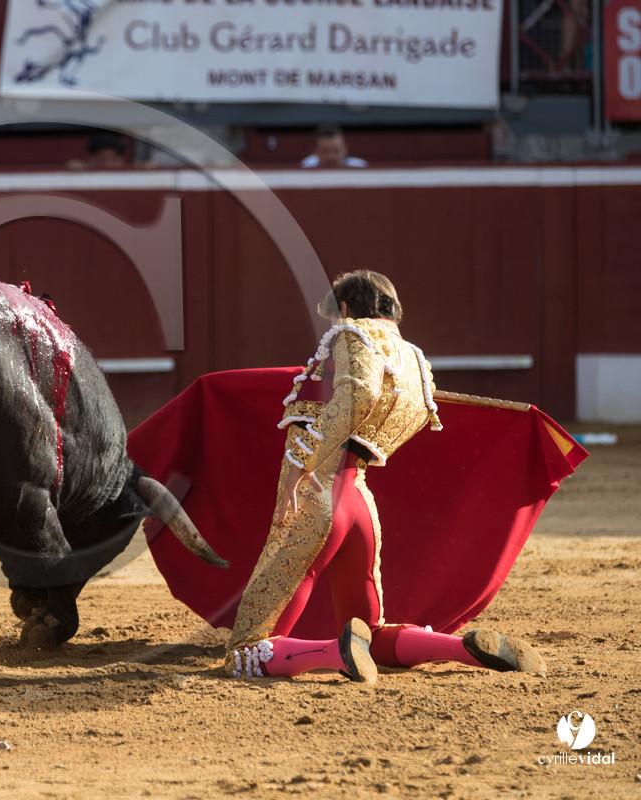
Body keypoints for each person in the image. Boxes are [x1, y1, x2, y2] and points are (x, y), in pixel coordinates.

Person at [226, 270, 544, 683]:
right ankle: (460, 650)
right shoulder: (411, 357)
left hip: (315, 496)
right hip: (358, 501)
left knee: (245, 649)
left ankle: (334, 654)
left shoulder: (351, 335)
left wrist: (303, 466)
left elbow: (359, 394)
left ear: (344, 308)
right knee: (371, 635)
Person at [300, 124, 367, 169]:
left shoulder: (360, 167)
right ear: (315, 151)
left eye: (336, 151)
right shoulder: (306, 167)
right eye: (325, 151)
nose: (331, 157)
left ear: (345, 149)